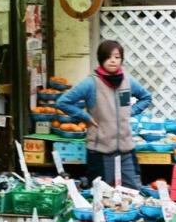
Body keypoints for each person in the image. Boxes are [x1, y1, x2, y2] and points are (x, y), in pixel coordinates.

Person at [56, 40, 152, 189]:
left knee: (133, 191)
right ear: (101, 59)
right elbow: (63, 102)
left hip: (126, 148)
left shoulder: (127, 81)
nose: (113, 60)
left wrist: (130, 112)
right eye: (108, 57)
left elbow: (146, 97)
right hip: (101, 150)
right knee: (101, 194)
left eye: (117, 57)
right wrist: (85, 117)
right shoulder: (91, 83)